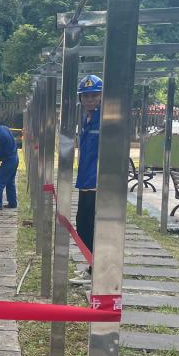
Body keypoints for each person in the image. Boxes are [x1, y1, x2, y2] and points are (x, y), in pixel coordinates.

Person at [71, 75, 103, 285]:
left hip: (97, 183)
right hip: (85, 181)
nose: (89, 100)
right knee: (83, 226)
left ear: (101, 97)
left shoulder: (104, 119)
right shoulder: (87, 119)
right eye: (86, 96)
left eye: (94, 96)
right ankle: (93, 266)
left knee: (90, 227)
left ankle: (97, 270)